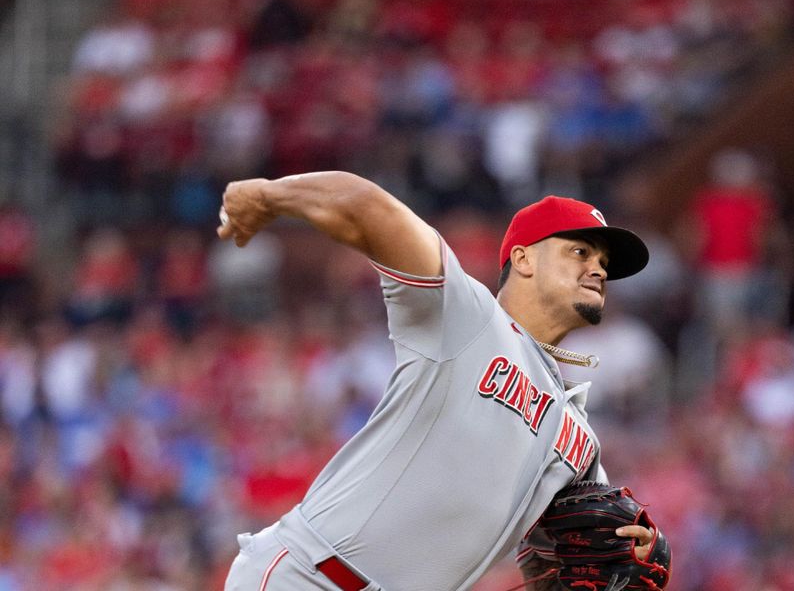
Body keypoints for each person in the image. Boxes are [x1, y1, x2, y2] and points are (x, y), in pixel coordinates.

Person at [217, 171, 654, 591]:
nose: (598, 268)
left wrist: (630, 546)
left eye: (603, 262)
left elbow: (563, 555)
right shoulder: (468, 317)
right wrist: (268, 195)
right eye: (580, 252)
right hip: (312, 579)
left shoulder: (579, 437)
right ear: (522, 258)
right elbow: (367, 206)